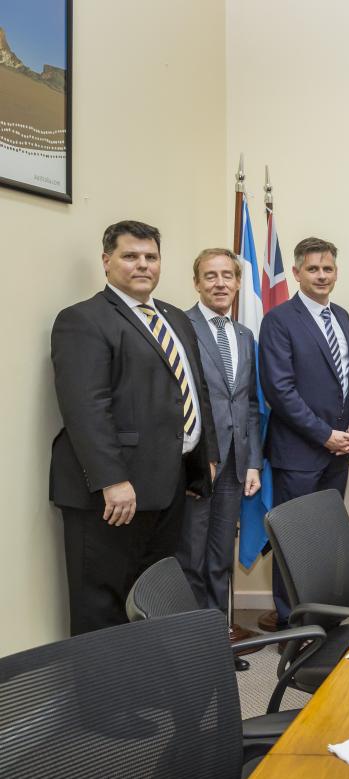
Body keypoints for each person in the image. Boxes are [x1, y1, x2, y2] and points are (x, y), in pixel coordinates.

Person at [50, 220, 218, 635]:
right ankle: (100, 680)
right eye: (130, 256)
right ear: (106, 261)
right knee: (102, 604)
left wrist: (204, 458)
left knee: (151, 595)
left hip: (168, 484)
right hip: (113, 493)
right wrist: (112, 480)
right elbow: (86, 408)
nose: (143, 265)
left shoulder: (175, 319)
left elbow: (195, 390)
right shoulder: (83, 320)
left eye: (151, 257)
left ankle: (143, 673)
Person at [258, 237, 349, 627]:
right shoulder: (279, 320)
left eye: (328, 268)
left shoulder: (343, 317)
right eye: (313, 268)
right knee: (294, 540)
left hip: (339, 452)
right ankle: (294, 624)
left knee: (326, 539)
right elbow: (279, 391)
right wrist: (325, 435)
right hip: (299, 454)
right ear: (297, 272)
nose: (321, 275)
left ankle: (324, 617)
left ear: (336, 272)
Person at [180, 249, 262, 612]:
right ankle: (192, 637)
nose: (220, 283)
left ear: (238, 282)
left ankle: (217, 631)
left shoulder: (244, 335)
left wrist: (253, 462)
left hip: (235, 465)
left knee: (220, 556)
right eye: (210, 276)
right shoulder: (181, 327)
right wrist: (197, 459)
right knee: (192, 557)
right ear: (196, 283)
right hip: (200, 463)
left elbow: (250, 404)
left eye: (227, 275)